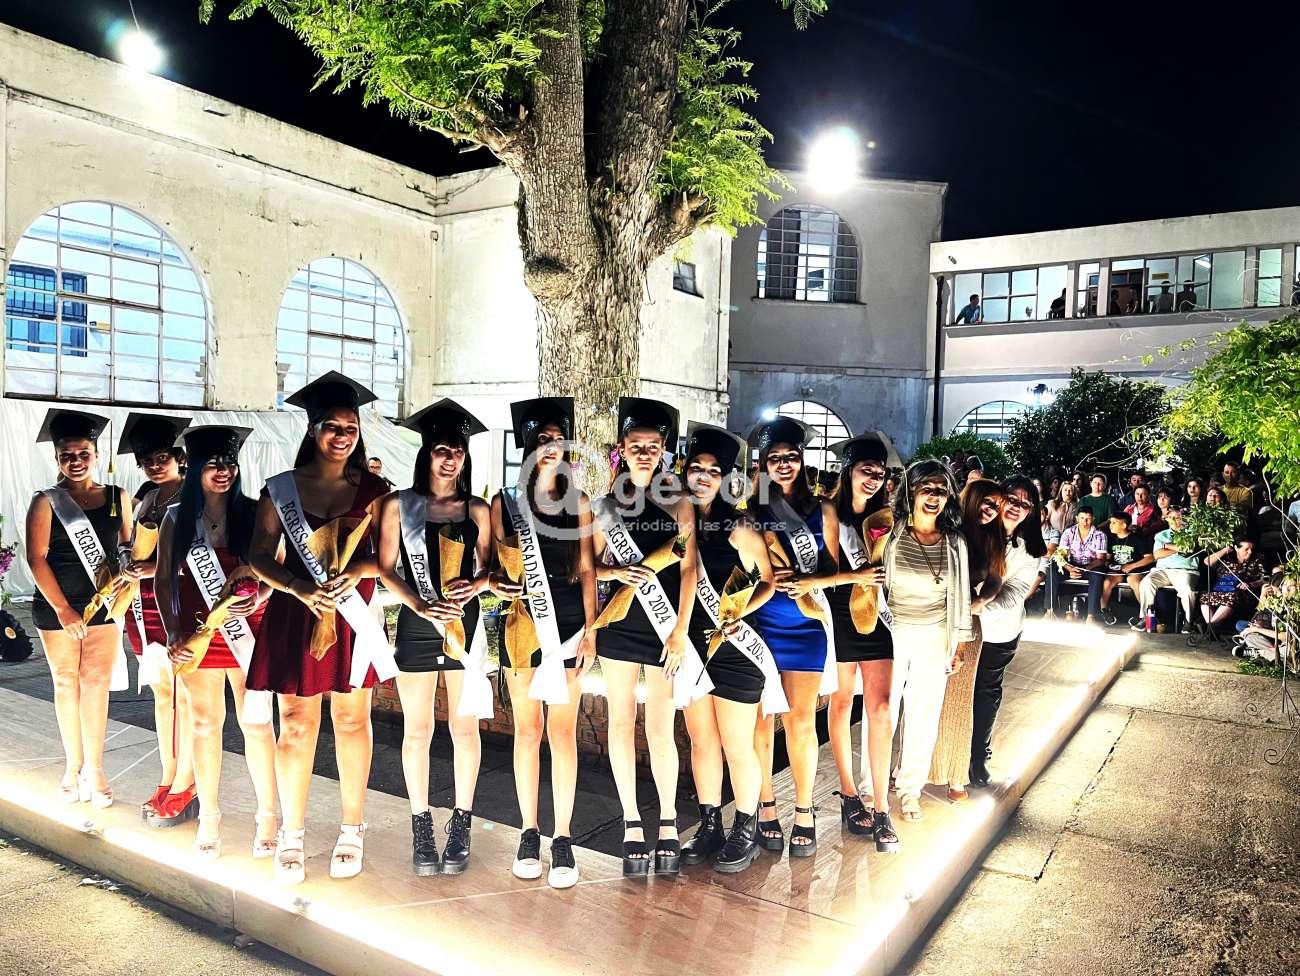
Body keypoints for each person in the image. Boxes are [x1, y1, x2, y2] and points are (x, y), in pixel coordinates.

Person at [246, 372, 394, 885]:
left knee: (351, 721)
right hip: (296, 611)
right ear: (312, 429)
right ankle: (292, 832)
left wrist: (357, 571)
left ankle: (352, 828)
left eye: (350, 427)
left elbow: (389, 561)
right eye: (331, 426)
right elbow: (259, 554)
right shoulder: (281, 489)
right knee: (296, 722)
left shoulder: (376, 492)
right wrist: (297, 586)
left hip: (353, 615)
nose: (342, 435)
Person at [376, 399, 492, 877]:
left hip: (464, 626)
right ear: (426, 453)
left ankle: (461, 822)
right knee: (418, 729)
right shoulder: (398, 505)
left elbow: (491, 569)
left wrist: (476, 586)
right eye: (442, 450)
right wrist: (419, 604)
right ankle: (421, 824)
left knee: (464, 729)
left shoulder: (478, 509)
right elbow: (385, 569)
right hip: (417, 622)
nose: (451, 459)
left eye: (458, 451)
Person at [485, 397, 597, 887]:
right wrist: (495, 582)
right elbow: (492, 566)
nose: (550, 446)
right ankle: (528, 831)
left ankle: (563, 836)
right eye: (542, 439)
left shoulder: (580, 504)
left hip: (568, 625)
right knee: (527, 731)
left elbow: (589, 570)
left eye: (557, 439)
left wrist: (591, 629)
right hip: (521, 626)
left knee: (563, 733)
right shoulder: (504, 504)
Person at [157, 425, 279, 860]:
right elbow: (163, 579)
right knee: (205, 724)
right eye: (212, 463)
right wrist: (173, 631)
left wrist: (260, 596)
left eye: (229, 462)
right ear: (195, 469)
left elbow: (276, 571)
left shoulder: (256, 512)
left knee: (257, 723)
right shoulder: (176, 517)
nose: (223, 470)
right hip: (201, 629)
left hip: (250, 629)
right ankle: (209, 816)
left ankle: (269, 817)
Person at [592, 397, 699, 877]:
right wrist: (617, 571)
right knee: (619, 722)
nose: (644, 452)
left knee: (659, 727)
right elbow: (590, 568)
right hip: (619, 623)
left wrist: (680, 630)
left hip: (662, 627)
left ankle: (669, 821)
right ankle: (632, 821)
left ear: (663, 450)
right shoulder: (605, 506)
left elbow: (689, 569)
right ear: (622, 447)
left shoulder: (678, 501)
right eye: (636, 444)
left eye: (653, 446)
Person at [679, 423, 779, 873]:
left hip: (736, 647)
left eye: (713, 471)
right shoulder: (677, 520)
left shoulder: (738, 527)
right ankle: (709, 826)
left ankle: (745, 828)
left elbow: (768, 582)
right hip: (692, 648)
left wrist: (738, 613)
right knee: (702, 742)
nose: (703, 477)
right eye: (696, 468)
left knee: (737, 744)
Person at [25, 410, 132, 808]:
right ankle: (73, 767)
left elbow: (126, 547)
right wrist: (63, 609)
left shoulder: (117, 497)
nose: (75, 461)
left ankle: (96, 769)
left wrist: (127, 578)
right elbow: (36, 558)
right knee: (67, 683)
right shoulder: (45, 501)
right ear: (57, 458)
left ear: (96, 454)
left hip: (103, 604)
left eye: (83, 453)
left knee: (96, 683)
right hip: (57, 606)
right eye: (66, 455)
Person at [747, 415, 841, 855]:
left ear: (802, 461)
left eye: (791, 456)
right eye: (775, 458)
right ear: (763, 464)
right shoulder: (751, 512)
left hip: (806, 626)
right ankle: (766, 806)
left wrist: (807, 582)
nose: (784, 464)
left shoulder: (823, 510)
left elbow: (834, 571)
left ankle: (804, 810)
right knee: (761, 721)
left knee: (801, 722)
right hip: (761, 624)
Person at [883, 459, 975, 821]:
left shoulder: (954, 542)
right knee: (882, 712)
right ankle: (871, 787)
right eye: (927, 489)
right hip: (890, 634)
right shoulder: (890, 534)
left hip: (936, 636)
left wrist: (960, 645)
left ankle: (910, 790)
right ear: (911, 491)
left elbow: (962, 596)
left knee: (924, 715)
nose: (934, 497)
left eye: (941, 490)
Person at [116, 412, 196, 825]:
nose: (154, 465)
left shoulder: (196, 496)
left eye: (162, 456)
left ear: (180, 457)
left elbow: (204, 556)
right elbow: (130, 544)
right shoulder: (146, 497)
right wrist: (127, 562)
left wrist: (153, 568)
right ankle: (168, 775)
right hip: (142, 609)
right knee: (163, 695)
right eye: (146, 459)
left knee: (186, 698)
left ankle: (187, 783)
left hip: (178, 604)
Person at [823, 435, 898, 853]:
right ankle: (850, 795)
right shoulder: (828, 512)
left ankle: (882, 807)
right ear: (848, 470)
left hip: (876, 615)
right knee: (840, 703)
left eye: (880, 473)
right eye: (866, 470)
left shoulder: (885, 517)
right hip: (837, 611)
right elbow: (823, 570)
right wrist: (857, 576)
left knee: (881, 708)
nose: (873, 478)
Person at [929, 479, 1004, 801]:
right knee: (923, 696)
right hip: (932, 617)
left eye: (997, 506)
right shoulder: (943, 526)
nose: (992, 510)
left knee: (960, 700)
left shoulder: (992, 538)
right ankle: (910, 769)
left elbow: (996, 578)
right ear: (972, 498)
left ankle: (956, 775)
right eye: (987, 502)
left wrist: (980, 601)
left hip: (968, 622)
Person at [970, 477, 1045, 787]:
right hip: (960, 628)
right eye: (1012, 499)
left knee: (985, 691)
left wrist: (973, 605)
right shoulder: (975, 530)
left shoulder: (1029, 551)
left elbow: (1013, 596)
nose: (1016, 507)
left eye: (1025, 504)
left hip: (998, 632)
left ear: (1031, 512)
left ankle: (978, 756)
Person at [1135, 509, 1200, 634]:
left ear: (1184, 519)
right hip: (1162, 570)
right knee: (1146, 583)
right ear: (1167, 519)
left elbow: (1189, 548)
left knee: (1187, 590)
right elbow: (1157, 554)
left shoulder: (1192, 533)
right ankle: (1146, 619)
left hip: (1185, 570)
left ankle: (1188, 621)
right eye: (1171, 517)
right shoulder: (1161, 535)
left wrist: (1167, 546)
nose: (1175, 520)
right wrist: (1180, 548)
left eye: (1178, 517)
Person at [1098, 512, 1153, 625]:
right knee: (1107, 582)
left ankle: (1144, 614)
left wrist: (1132, 566)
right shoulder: (1111, 538)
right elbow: (1108, 558)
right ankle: (1104, 610)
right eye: (1110, 522)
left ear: (1123, 525)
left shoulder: (1136, 538)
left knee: (1134, 582)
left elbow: (1150, 558)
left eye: (1114, 523)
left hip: (1134, 570)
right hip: (1117, 570)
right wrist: (1108, 564)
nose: (1110, 525)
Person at [1201, 538, 1266, 632]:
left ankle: (1209, 628)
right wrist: (1224, 550)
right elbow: (1207, 561)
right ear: (1236, 548)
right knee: (1205, 597)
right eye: (1246, 549)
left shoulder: (1257, 558)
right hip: (1222, 589)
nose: (1250, 552)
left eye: (1251, 549)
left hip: (1242, 593)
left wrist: (1250, 584)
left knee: (1232, 597)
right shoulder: (1227, 557)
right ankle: (1211, 627)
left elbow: (1265, 580)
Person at [1055, 508, 1108, 622]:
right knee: (1053, 569)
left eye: (1088, 518)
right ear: (1077, 518)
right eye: (1082, 518)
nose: (1085, 521)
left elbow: (1101, 559)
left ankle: (1091, 615)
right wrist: (1069, 568)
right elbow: (1060, 555)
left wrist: (1085, 569)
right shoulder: (1069, 532)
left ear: (1093, 519)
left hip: (1091, 566)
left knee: (1098, 575)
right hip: (1072, 565)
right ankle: (1056, 610)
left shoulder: (1099, 535)